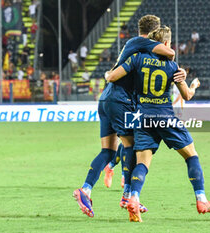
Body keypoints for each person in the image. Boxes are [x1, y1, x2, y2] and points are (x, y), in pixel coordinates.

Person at [106, 26, 210, 222]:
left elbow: (111, 77)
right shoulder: (172, 67)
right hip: (165, 116)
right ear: (167, 43)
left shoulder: (136, 59)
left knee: (143, 163)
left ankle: (134, 198)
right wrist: (193, 85)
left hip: (142, 118)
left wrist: (118, 76)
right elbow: (186, 96)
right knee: (191, 155)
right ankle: (202, 199)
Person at [72, 14, 185, 218]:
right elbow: (171, 52)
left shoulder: (136, 47)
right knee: (133, 144)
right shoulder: (143, 42)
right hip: (121, 100)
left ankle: (85, 190)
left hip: (107, 99)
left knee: (108, 150)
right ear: (154, 31)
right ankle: (128, 195)